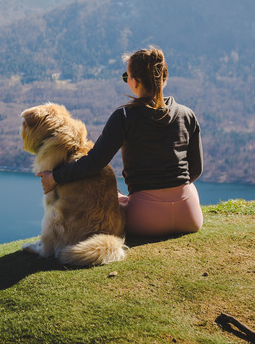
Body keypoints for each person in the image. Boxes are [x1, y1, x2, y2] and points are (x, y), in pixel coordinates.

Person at [37, 46, 204, 237]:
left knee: (114, 197)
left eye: (126, 76)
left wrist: (56, 177)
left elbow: (94, 162)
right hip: (189, 216)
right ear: (163, 78)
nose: (127, 81)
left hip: (146, 220)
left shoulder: (124, 116)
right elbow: (196, 170)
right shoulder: (187, 114)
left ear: (134, 81)